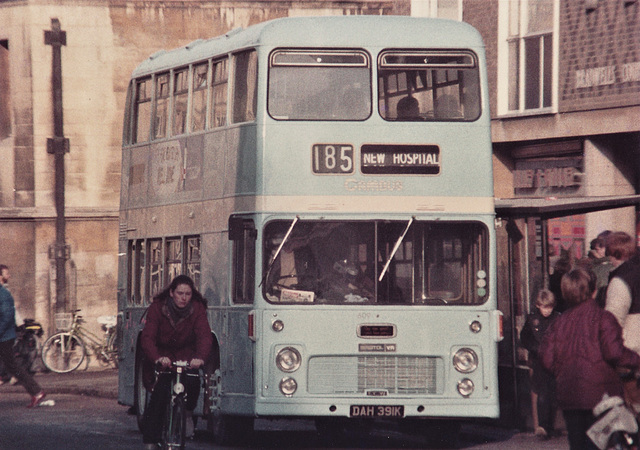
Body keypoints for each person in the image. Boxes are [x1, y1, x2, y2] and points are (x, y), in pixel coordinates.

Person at [540, 268, 640, 450]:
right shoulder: (604, 318)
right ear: (594, 290)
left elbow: (546, 358)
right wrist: (636, 359)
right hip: (602, 395)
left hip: (570, 395)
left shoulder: (558, 323)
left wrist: (562, 371)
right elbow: (614, 352)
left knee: (578, 445)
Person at [140, 275, 213, 449]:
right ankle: (151, 440)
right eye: (180, 293)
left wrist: (200, 358)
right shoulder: (157, 308)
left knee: (194, 382)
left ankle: (187, 412)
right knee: (159, 396)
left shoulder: (197, 309)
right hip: (163, 358)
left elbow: (204, 336)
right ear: (171, 293)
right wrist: (157, 358)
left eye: (187, 294)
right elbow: (148, 337)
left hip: (187, 357)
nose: (184, 298)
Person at [603, 231, 640, 412]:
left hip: (630, 351)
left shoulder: (620, 279)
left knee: (632, 406)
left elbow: (612, 321)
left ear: (614, 254)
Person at [0, 264, 46, 407]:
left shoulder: (3, 294)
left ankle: (37, 392)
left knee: (13, 366)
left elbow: (8, 316)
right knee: (12, 366)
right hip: (4, 335)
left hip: (4, 336)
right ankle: (36, 392)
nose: (9, 276)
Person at [520, 289, 560, 439]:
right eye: (544, 307)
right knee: (542, 392)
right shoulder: (532, 320)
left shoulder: (557, 318)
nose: (547, 311)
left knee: (553, 393)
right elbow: (525, 338)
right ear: (538, 305)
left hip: (555, 361)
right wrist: (534, 349)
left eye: (549, 307)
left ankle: (549, 425)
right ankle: (542, 426)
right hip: (538, 361)